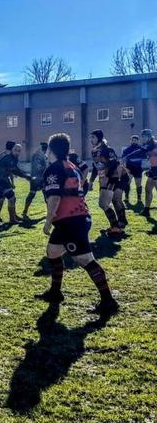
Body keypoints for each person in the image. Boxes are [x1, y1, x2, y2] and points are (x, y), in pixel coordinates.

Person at [36, 133, 118, 314]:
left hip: (70, 221)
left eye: (48, 149)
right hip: (75, 218)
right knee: (53, 252)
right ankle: (55, 293)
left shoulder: (53, 169)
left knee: (85, 259)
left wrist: (48, 221)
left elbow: (55, 197)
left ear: (51, 150)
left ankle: (108, 300)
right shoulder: (72, 166)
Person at [88, 130, 126, 235]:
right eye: (90, 137)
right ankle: (117, 225)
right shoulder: (94, 151)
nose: (91, 139)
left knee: (105, 203)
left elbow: (114, 164)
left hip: (113, 178)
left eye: (93, 137)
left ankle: (117, 226)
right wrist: (91, 180)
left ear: (99, 138)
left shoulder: (107, 149)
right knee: (105, 203)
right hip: (104, 179)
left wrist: (107, 178)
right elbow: (96, 168)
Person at [0, 142, 32, 226]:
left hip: (3, 180)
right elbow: (14, 170)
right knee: (0, 200)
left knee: (11, 198)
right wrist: (26, 176)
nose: (17, 152)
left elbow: (16, 169)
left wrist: (26, 175)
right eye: (15, 150)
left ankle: (12, 219)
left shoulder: (14, 159)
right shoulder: (8, 158)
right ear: (12, 150)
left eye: (19, 151)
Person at [22, 142, 49, 219]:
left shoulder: (44, 156)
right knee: (32, 194)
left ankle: (49, 212)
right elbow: (38, 167)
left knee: (45, 195)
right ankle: (24, 212)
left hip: (41, 178)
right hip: (36, 178)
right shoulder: (37, 156)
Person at [121, 133, 146, 204]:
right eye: (133, 140)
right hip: (129, 168)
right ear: (130, 141)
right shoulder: (127, 149)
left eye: (135, 140)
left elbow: (145, 157)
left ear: (137, 141)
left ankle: (139, 198)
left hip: (138, 168)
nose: (134, 141)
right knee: (127, 183)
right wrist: (124, 168)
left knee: (138, 184)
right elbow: (122, 158)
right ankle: (126, 197)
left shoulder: (141, 149)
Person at [140, 129, 157, 217]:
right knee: (148, 190)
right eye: (142, 136)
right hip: (153, 169)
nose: (142, 138)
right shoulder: (146, 145)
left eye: (144, 136)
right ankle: (146, 210)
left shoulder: (155, 144)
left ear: (149, 136)